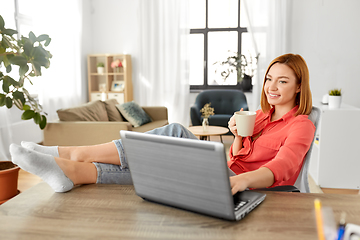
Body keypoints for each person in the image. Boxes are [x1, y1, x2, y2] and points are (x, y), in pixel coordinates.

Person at [10, 53, 315, 195]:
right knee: (157, 165)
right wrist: (236, 137)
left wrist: (241, 181)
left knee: (176, 132)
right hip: (226, 172)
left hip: (242, 186)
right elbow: (238, 155)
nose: (272, 87)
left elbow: (283, 168)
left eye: (283, 81)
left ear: (299, 86)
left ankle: (73, 153)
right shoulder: (261, 116)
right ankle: (73, 173)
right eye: (269, 79)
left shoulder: (300, 124)